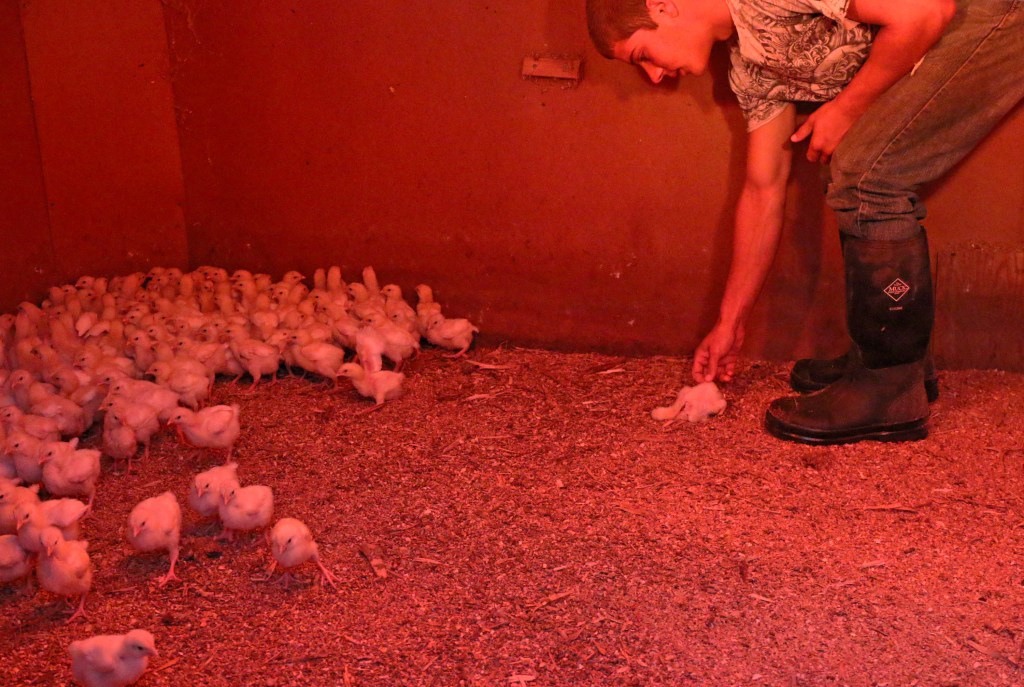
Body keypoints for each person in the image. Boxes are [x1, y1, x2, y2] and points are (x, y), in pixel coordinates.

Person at [586, 0, 1024, 444]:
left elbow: (923, 14)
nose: (655, 76)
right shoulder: (751, 64)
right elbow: (764, 188)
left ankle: (890, 384)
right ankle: (892, 359)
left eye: (642, 55)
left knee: (864, 175)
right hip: (952, 28)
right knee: (852, 169)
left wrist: (847, 109)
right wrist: (730, 324)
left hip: (997, 12)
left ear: (663, 7)